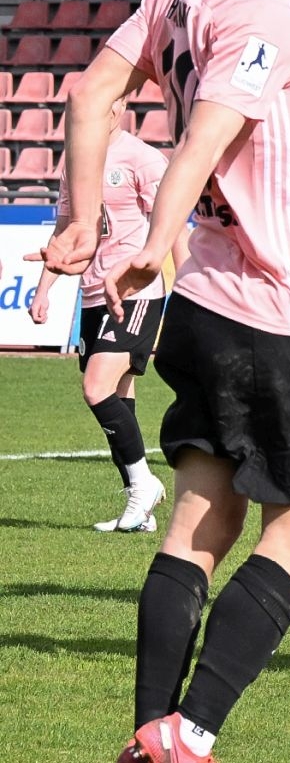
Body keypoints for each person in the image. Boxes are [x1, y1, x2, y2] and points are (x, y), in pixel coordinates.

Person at [31, 0, 290, 763]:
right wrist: (147, 239)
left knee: (202, 516)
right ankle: (192, 734)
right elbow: (209, 132)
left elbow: (90, 93)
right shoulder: (267, 17)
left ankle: (148, 734)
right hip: (282, 308)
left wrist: (84, 220)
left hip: (201, 306)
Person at [27, 95, 172, 532]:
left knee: (95, 388)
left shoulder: (143, 159)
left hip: (134, 293)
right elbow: (65, 229)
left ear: (120, 107)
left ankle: (144, 485)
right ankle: (139, 508)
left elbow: (169, 225)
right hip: (92, 294)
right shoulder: (75, 163)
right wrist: (45, 288)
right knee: (119, 397)